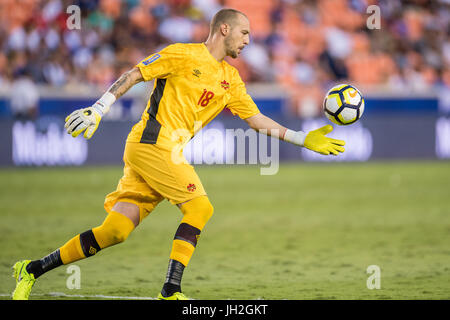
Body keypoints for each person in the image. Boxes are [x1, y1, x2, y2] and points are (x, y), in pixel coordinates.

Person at [11, 8, 345, 300]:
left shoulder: (231, 78)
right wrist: (99, 108)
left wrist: (303, 139)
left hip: (162, 151)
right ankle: (170, 291)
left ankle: (31, 269)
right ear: (224, 29)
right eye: (244, 33)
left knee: (114, 232)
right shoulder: (182, 54)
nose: (247, 40)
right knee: (201, 207)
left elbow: (256, 120)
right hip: (152, 143)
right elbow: (133, 74)